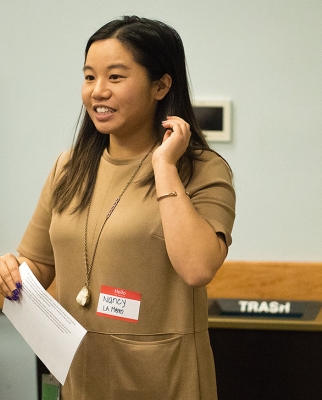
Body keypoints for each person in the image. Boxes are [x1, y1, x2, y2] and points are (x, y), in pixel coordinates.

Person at [0, 15, 235, 400]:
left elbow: (197, 267)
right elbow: (38, 266)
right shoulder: (68, 167)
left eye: (116, 77)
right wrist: (9, 274)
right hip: (81, 377)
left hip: (164, 380)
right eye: (90, 77)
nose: (98, 91)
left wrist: (163, 165)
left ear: (161, 86)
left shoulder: (202, 169)